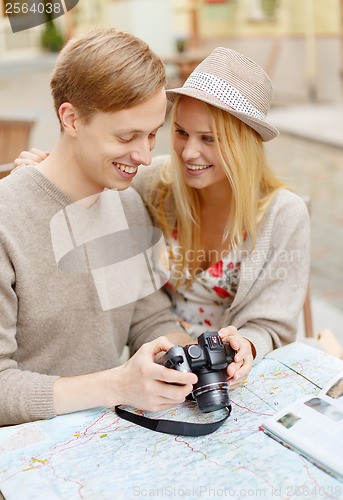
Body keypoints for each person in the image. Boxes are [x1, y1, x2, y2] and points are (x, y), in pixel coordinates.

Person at [16, 48, 310, 391]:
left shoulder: (283, 214)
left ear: (243, 144)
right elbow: (92, 174)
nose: (188, 152)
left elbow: (272, 323)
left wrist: (248, 344)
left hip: (237, 378)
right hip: (166, 364)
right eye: (182, 132)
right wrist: (42, 174)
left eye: (209, 139)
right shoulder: (153, 183)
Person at [0, 28, 205, 427]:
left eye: (152, 135)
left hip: (106, 434)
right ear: (71, 118)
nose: (145, 156)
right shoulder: (7, 221)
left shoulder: (128, 205)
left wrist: (194, 355)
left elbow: (147, 320)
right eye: (127, 136)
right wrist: (117, 385)